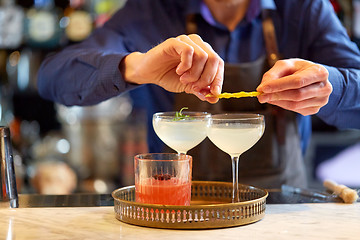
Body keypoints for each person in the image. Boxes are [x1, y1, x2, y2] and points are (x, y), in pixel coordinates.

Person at [37, 0, 360, 188]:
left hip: (281, 206)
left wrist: (330, 85)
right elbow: (53, 78)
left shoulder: (304, 9)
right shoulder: (150, 11)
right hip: (175, 206)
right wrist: (135, 67)